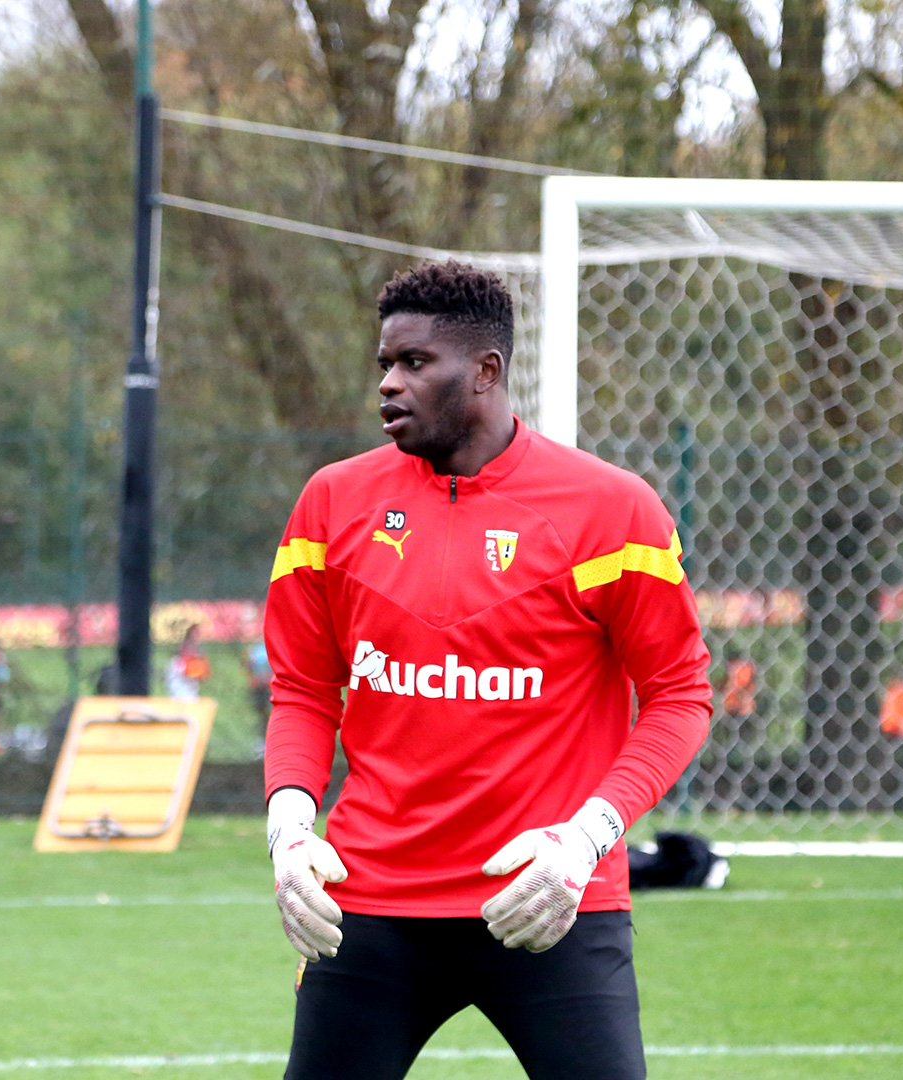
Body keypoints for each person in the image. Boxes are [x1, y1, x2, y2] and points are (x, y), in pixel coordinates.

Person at [263, 261, 712, 1080]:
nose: (389, 386)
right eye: (383, 366)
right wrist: (290, 829)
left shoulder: (613, 510)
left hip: (550, 900)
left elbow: (680, 695)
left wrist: (584, 842)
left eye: (413, 363)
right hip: (371, 903)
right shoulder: (331, 503)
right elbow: (302, 688)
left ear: (486, 371)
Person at [719, 647, 758, 750]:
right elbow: (725, 688)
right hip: (731, 711)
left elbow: (750, 688)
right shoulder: (732, 670)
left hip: (742, 712)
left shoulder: (747, 669)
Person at [164, 624, 210, 701]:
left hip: (191, 692)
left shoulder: (199, 655)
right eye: (195, 633)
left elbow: (204, 676)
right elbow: (184, 671)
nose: (197, 636)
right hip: (178, 690)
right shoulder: (179, 656)